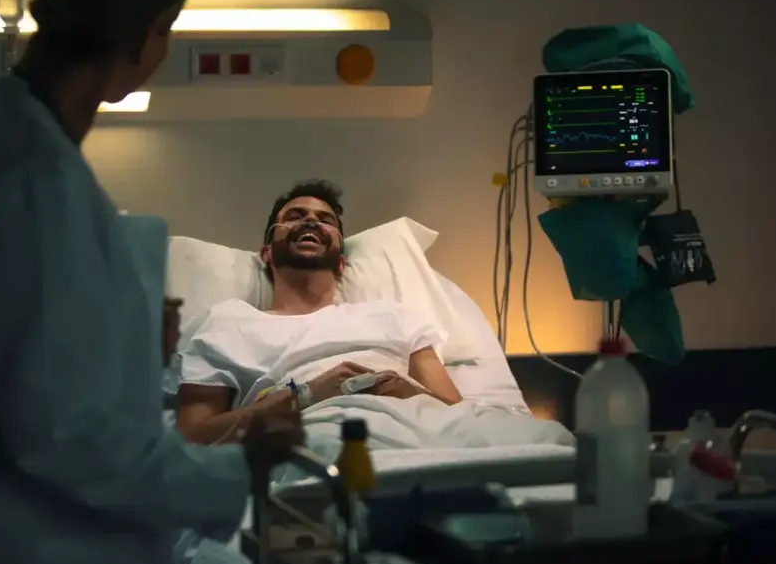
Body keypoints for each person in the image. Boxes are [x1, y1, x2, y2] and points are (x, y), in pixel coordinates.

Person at [0, 0, 302, 564]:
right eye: (168, 31)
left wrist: (129, 337)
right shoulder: (34, 178)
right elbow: (64, 435)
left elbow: (20, 352)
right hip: (23, 544)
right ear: (147, 31)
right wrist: (238, 467)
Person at [175, 180, 574, 453]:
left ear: (342, 262)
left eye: (325, 219)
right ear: (266, 253)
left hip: (424, 432)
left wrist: (410, 391)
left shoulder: (393, 315)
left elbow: (456, 411)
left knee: (553, 440)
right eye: (294, 216)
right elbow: (193, 436)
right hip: (318, 433)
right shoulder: (228, 323)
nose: (312, 220)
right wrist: (307, 395)